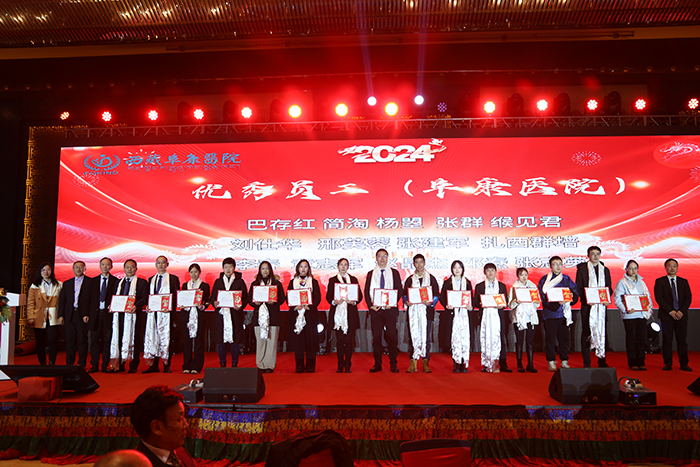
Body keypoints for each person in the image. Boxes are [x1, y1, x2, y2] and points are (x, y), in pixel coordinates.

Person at [130, 385, 196, 467]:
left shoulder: (180, 452)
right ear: (157, 428)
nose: (186, 425)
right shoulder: (141, 464)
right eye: (179, 419)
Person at [364, 249, 403, 373]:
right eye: (379, 256)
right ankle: (377, 364)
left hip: (390, 310)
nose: (382, 258)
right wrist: (371, 305)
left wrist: (392, 302)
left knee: (392, 337)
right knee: (376, 338)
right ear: (376, 258)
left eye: (384, 256)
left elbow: (399, 290)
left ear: (387, 258)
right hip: (376, 311)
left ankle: (393, 364)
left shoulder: (394, 273)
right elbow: (366, 291)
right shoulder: (371, 274)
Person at [539, 256, 579, 372]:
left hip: (564, 314)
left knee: (564, 339)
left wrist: (572, 296)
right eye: (555, 264)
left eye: (560, 264)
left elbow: (575, 291)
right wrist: (556, 304)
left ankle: (564, 360)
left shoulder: (566, 279)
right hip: (550, 314)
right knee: (550, 340)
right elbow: (543, 297)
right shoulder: (544, 280)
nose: (558, 266)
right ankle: (551, 361)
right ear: (550, 266)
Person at [108, 259, 149, 373]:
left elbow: (144, 298)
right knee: (119, 337)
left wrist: (136, 305)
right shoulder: (118, 282)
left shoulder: (141, 282)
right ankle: (120, 364)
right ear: (124, 269)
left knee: (135, 338)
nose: (129, 269)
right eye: (127, 267)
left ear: (136, 269)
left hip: (134, 315)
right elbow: (115, 297)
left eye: (132, 267)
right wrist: (112, 305)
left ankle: (133, 365)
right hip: (120, 315)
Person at [575, 246, 612, 368]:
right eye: (593, 254)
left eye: (597, 254)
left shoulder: (605, 270)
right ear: (588, 256)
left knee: (601, 330)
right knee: (587, 332)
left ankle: (602, 360)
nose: (595, 256)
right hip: (587, 306)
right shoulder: (582, 269)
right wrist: (586, 299)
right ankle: (587, 361)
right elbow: (579, 287)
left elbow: (608, 288)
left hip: (601, 306)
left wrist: (607, 298)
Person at [402, 254, 440, 373]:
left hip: (427, 312)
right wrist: (406, 301)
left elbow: (436, 294)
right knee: (412, 336)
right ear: (414, 264)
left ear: (424, 263)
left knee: (426, 337)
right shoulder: (409, 279)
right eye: (417, 262)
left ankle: (425, 361)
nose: (419, 264)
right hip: (413, 313)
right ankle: (413, 362)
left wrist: (431, 302)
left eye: (421, 262)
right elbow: (404, 295)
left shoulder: (431, 279)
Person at [143, 256, 181, 374]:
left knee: (166, 338)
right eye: (158, 263)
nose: (160, 265)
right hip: (153, 314)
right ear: (155, 264)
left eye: (163, 263)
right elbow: (148, 296)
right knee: (154, 337)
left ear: (167, 264)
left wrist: (169, 307)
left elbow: (176, 296)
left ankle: (166, 365)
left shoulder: (173, 279)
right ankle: (154, 365)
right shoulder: (151, 279)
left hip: (167, 314)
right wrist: (147, 305)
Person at [654, 258, 693, 371]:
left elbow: (688, 298)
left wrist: (681, 311)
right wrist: (670, 311)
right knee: (667, 340)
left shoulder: (683, 281)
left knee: (682, 340)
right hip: (667, 315)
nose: (672, 268)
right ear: (665, 268)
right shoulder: (660, 281)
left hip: (681, 315)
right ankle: (668, 362)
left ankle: (684, 363)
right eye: (669, 266)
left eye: (674, 266)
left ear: (677, 267)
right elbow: (659, 298)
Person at [614, 260, 653, 370]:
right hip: (630, 315)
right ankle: (632, 362)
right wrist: (625, 309)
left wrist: (649, 308)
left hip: (642, 314)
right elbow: (617, 299)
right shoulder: (622, 283)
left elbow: (647, 297)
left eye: (635, 268)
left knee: (641, 338)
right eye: (630, 268)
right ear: (626, 269)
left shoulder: (642, 282)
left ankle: (641, 361)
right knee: (631, 338)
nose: (633, 270)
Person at [326, 258, 362, 373]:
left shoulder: (354, 280)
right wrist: (334, 301)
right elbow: (328, 297)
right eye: (341, 264)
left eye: (345, 264)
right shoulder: (333, 280)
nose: (343, 267)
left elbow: (360, 296)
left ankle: (348, 364)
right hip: (338, 314)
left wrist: (353, 301)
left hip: (350, 314)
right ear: (337, 266)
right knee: (340, 341)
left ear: (348, 267)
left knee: (349, 341)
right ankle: (340, 364)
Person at [250, 261, 286, 373]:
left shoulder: (277, 284)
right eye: (263, 268)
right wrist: (255, 303)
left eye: (267, 268)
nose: (265, 271)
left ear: (270, 270)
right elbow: (249, 299)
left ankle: (269, 365)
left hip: (273, 317)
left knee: (271, 342)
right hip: (259, 317)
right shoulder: (255, 284)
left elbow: (282, 299)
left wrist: (274, 301)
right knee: (260, 342)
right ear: (259, 270)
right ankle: (260, 364)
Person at [211, 258, 247, 368]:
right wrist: (214, 303)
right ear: (222, 268)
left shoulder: (240, 281)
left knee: (235, 339)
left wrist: (240, 306)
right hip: (221, 315)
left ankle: (235, 362)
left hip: (235, 315)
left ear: (234, 268)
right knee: (221, 340)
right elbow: (213, 297)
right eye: (226, 267)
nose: (228, 269)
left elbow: (245, 298)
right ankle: (222, 362)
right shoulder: (218, 281)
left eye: (230, 267)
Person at [473, 263, 509, 373]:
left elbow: (505, 302)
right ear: (484, 272)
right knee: (485, 338)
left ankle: (502, 363)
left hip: (498, 316)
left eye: (492, 270)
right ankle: (487, 363)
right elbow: (475, 302)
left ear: (495, 272)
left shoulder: (502, 286)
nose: (490, 273)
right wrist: (482, 303)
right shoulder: (479, 286)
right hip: (485, 317)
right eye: (488, 270)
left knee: (500, 339)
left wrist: (502, 305)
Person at [439, 260, 473, 373]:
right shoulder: (447, 283)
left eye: (459, 267)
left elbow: (470, 298)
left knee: (464, 338)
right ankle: (455, 364)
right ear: (451, 269)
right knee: (454, 339)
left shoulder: (467, 283)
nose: (457, 270)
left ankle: (463, 363)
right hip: (452, 315)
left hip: (464, 315)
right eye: (455, 267)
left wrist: (470, 306)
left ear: (463, 269)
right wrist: (446, 305)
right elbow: (442, 297)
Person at [288, 259, 322, 373]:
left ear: (309, 269)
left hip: (310, 315)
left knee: (311, 340)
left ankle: (311, 365)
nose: (303, 269)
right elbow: (289, 297)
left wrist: (310, 306)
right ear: (297, 268)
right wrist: (295, 306)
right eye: (301, 266)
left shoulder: (314, 282)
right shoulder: (292, 282)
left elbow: (317, 297)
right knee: (298, 341)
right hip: (297, 315)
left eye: (305, 266)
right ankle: (299, 365)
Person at [26, 262, 63, 366]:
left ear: (51, 271)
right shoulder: (35, 285)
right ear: (40, 272)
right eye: (43, 270)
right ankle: (42, 362)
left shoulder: (59, 284)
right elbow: (30, 303)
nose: (46, 272)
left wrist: (61, 316)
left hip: (53, 316)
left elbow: (63, 302)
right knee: (40, 341)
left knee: (52, 340)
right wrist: (30, 317)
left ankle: (52, 362)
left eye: (48, 270)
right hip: (39, 316)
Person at [58, 260, 91, 368]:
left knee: (82, 340)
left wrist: (87, 314)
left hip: (82, 315)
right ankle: (69, 364)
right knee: (70, 341)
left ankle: (82, 363)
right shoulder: (67, 283)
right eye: (76, 267)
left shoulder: (90, 282)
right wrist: (60, 315)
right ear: (73, 269)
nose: (78, 269)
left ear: (85, 269)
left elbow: (91, 300)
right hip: (70, 315)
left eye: (81, 267)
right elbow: (62, 300)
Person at [88, 257, 119, 373]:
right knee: (94, 341)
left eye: (107, 265)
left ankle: (105, 364)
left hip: (108, 315)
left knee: (108, 340)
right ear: (99, 266)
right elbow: (88, 299)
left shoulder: (116, 281)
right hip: (95, 315)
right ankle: (94, 364)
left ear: (111, 266)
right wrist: (87, 314)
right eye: (103, 264)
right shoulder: (93, 281)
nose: (105, 267)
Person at [179, 263, 210, 374]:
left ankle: (196, 366)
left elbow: (207, 301)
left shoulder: (204, 285)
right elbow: (182, 300)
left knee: (198, 341)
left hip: (199, 315)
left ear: (199, 272)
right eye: (191, 272)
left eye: (196, 272)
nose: (193, 274)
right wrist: (181, 305)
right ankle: (186, 365)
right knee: (187, 341)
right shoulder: (185, 286)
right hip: (186, 316)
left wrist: (202, 306)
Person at [508, 268, 540, 373]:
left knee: (530, 341)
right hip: (519, 318)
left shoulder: (533, 287)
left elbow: (537, 304)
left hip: (531, 317)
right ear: (518, 276)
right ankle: (519, 364)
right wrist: (516, 301)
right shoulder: (514, 288)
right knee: (520, 341)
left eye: (525, 274)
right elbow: (510, 305)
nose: (524, 277)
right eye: (521, 275)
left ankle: (530, 364)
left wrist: (534, 301)